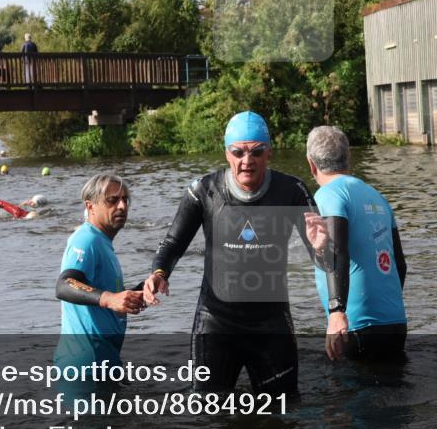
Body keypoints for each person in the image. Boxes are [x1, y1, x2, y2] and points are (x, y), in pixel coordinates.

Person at [142, 111, 326, 395]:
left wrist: (322, 248)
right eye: (238, 152)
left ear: (269, 153)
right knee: (207, 416)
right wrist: (158, 273)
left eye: (256, 152)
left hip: (271, 323)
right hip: (216, 321)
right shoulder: (203, 191)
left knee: (283, 417)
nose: (246, 161)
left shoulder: (291, 191)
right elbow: (172, 244)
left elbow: (326, 261)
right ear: (227, 153)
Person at [303, 126, 408, 362]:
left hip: (355, 325)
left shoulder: (327, 195)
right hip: (395, 322)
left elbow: (336, 252)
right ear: (348, 158)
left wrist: (337, 312)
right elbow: (399, 265)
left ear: (311, 164)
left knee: (347, 395)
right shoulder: (377, 196)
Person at [54, 175, 144, 374]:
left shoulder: (102, 242)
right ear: (90, 206)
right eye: (112, 200)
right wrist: (110, 299)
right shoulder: (86, 239)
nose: (122, 206)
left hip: (104, 363)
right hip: (84, 368)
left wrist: (138, 292)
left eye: (125, 200)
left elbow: (105, 299)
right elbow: (65, 284)